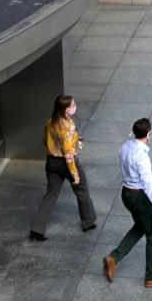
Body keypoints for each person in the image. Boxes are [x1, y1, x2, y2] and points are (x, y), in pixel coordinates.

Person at [103, 117, 152, 287]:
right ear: (149, 134)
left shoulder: (125, 147)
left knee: (141, 226)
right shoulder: (142, 156)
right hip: (140, 197)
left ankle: (114, 258)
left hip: (127, 193)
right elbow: (148, 187)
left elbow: (135, 173)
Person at [29, 95, 95, 241]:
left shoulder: (50, 121)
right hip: (66, 163)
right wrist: (75, 174)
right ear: (66, 109)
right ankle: (88, 221)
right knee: (82, 190)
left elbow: (45, 140)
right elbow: (68, 154)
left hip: (51, 162)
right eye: (73, 105)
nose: (75, 106)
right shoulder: (68, 126)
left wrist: (74, 139)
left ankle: (37, 229)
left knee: (50, 196)